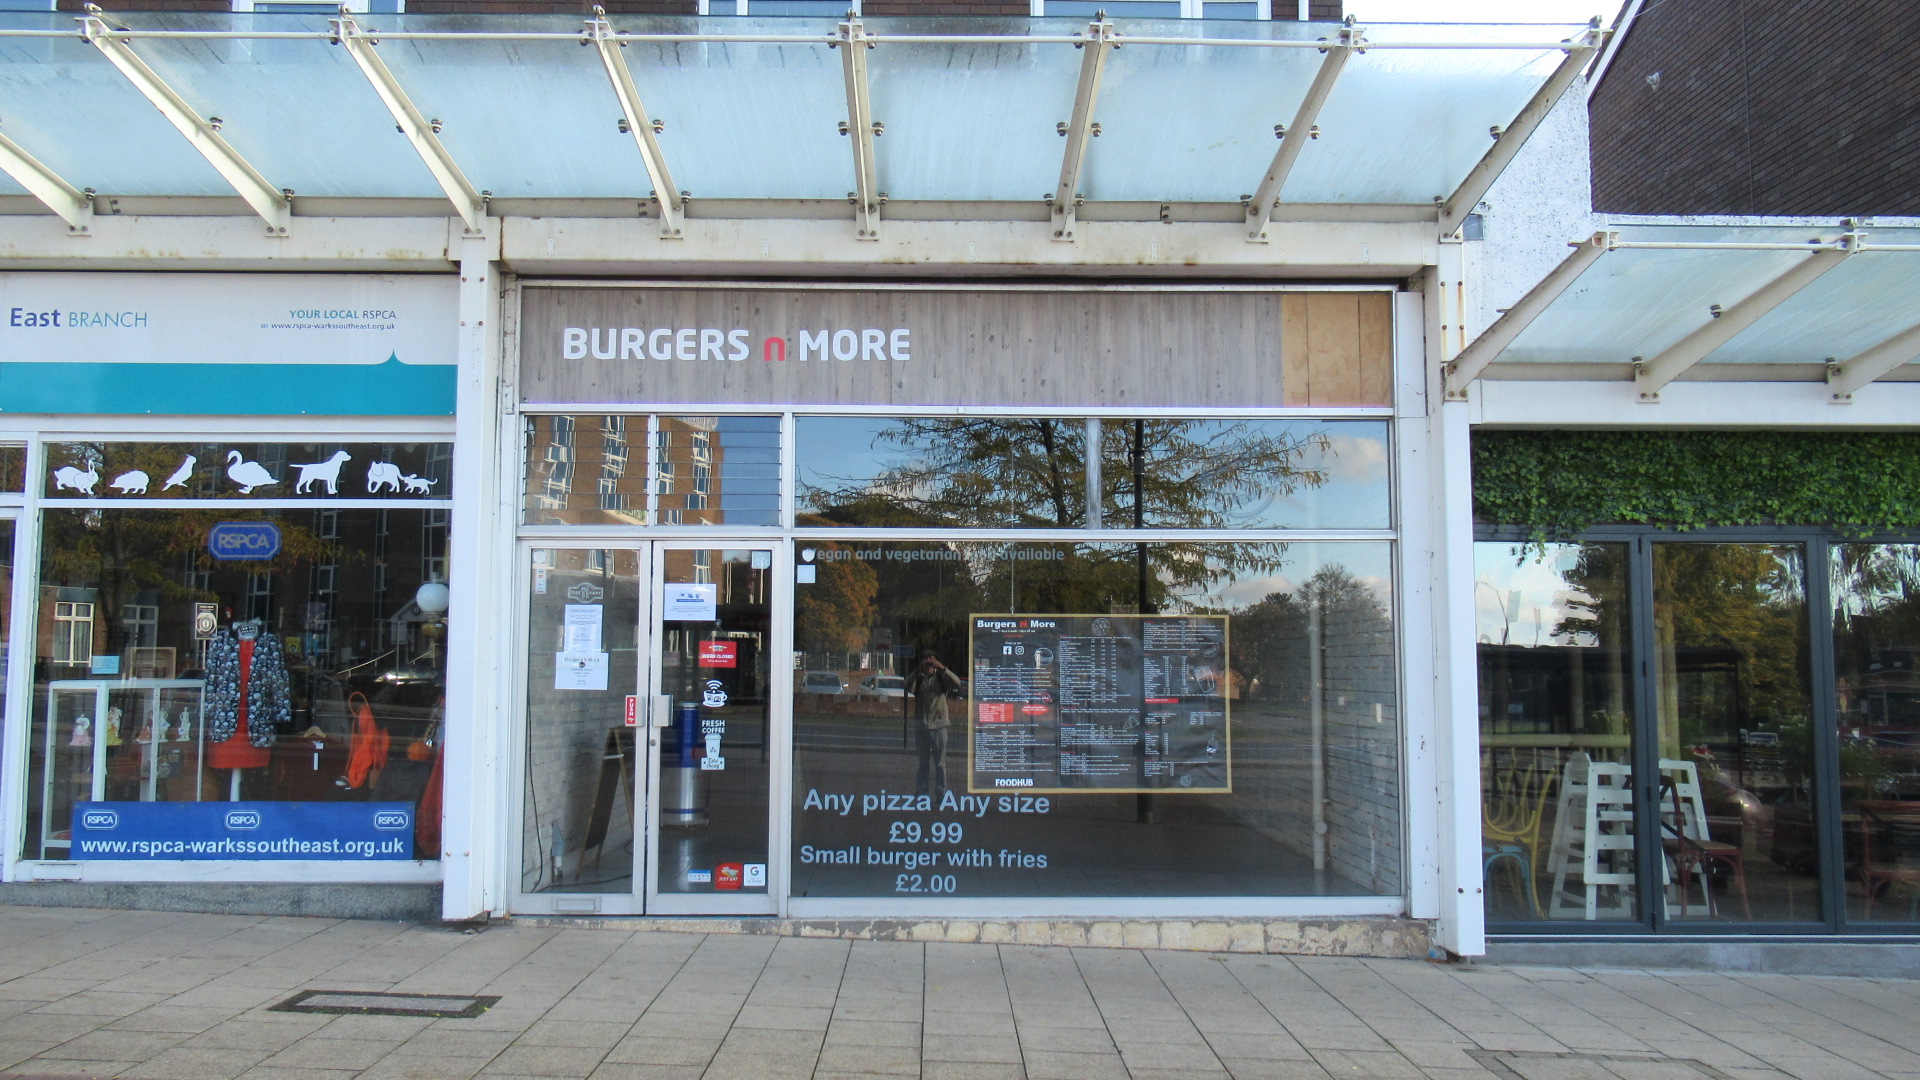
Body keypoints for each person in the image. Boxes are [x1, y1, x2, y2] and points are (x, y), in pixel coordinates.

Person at [904, 653, 962, 798]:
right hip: (922, 727)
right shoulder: (919, 679)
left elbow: (957, 683)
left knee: (940, 763)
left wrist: (942, 668)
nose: (928, 664)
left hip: (939, 726)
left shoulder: (941, 678)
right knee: (923, 763)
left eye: (931, 661)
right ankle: (922, 791)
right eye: (926, 661)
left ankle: (941, 792)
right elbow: (906, 686)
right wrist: (916, 671)